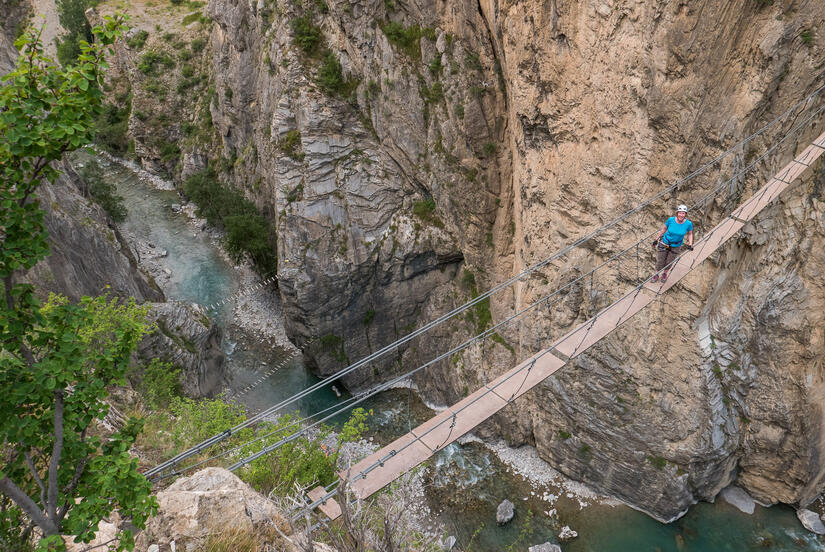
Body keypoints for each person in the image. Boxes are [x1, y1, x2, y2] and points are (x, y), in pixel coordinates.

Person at [651, 205, 694, 283]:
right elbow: (664, 229)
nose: (681, 215)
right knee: (660, 260)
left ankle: (664, 274)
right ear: (677, 213)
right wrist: (656, 239)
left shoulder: (688, 224)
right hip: (665, 242)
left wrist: (690, 244)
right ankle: (656, 274)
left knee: (669, 261)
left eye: (683, 213)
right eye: (680, 213)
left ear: (685, 214)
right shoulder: (670, 220)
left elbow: (690, 234)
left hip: (676, 246)